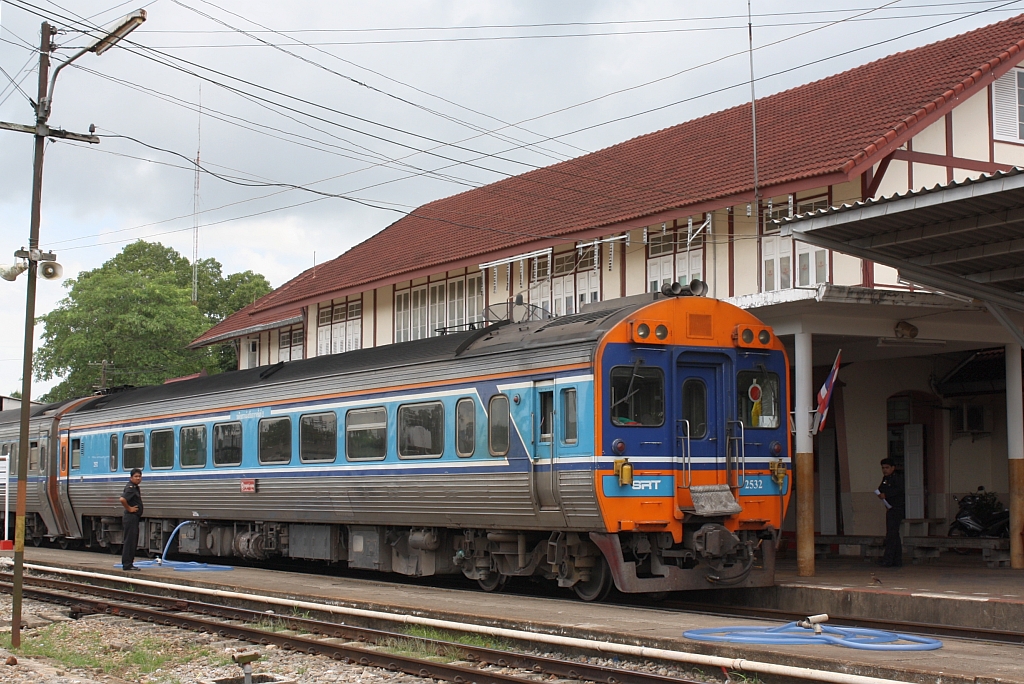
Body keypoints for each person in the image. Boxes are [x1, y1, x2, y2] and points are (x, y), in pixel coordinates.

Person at [876, 458, 905, 567]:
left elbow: (899, 490)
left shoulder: (897, 478)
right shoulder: (886, 478)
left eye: (887, 467)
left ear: (893, 468)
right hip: (890, 508)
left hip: (897, 508)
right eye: (883, 468)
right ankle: (896, 560)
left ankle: (888, 560)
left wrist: (886, 495)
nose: (885, 470)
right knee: (893, 534)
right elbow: (881, 488)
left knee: (891, 535)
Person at [119, 468, 143, 571]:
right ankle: (127, 564)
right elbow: (122, 499)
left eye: (139, 476)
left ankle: (129, 563)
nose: (138, 478)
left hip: (133, 518)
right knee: (130, 541)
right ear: (131, 477)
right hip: (130, 517)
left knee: (132, 541)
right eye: (136, 476)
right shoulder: (130, 487)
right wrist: (129, 508)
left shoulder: (135, 487)